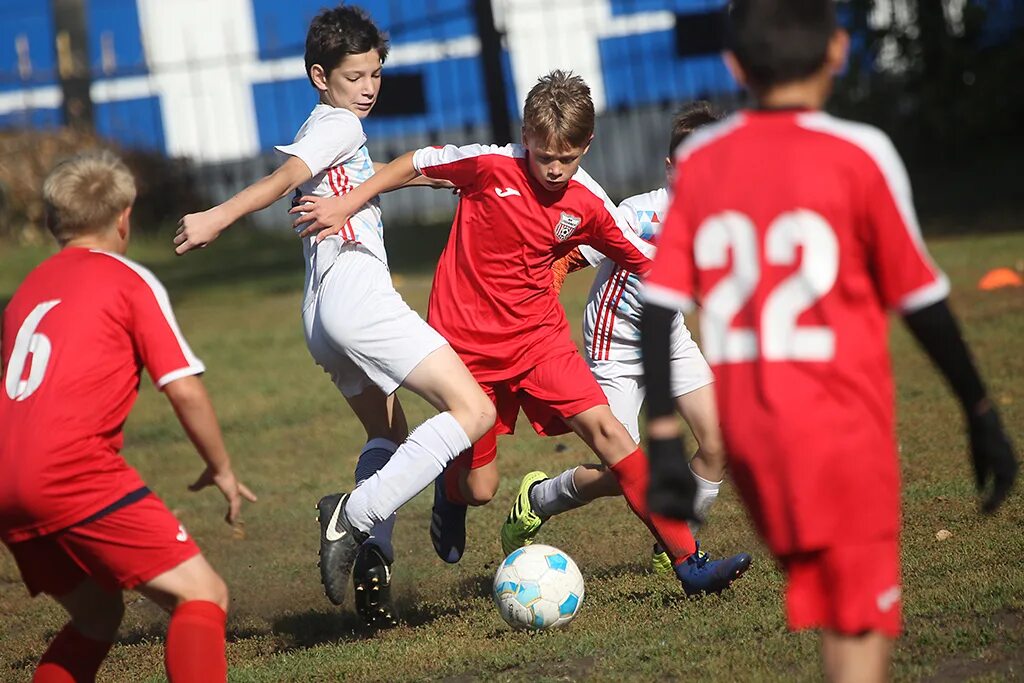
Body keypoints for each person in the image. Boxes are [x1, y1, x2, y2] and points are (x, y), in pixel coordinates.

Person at [640, 1, 1019, 680]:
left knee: (839, 610)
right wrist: (981, 412)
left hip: (754, 444)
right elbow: (924, 303)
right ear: (838, 52)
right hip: (842, 431)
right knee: (860, 626)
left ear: (734, 66)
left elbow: (659, 305)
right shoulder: (858, 152)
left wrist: (665, 434)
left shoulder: (697, 164)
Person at [294, 70, 750, 596]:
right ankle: (452, 489)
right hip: (468, 352)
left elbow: (642, 257)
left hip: (540, 341)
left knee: (612, 434)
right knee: (480, 488)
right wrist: (347, 202)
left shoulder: (589, 201)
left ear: (587, 145)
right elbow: (413, 164)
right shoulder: (489, 165)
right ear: (527, 137)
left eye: (569, 159)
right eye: (545, 156)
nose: (556, 170)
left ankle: (688, 563)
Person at [172, 5, 495, 628]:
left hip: (323, 317)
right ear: (321, 76)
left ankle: (373, 576)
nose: (368, 88)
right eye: (355, 76)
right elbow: (281, 178)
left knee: (391, 437)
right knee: (473, 410)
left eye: (375, 74)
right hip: (356, 304)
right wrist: (215, 217)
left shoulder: (330, 123)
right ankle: (352, 516)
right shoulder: (338, 125)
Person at [0, 151, 256, 682]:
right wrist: (223, 467)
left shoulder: (26, 293)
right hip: (71, 472)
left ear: (53, 222)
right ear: (124, 217)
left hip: (7, 481)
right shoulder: (126, 278)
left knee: (97, 614)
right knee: (202, 593)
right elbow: (183, 390)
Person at [503, 102, 735, 576]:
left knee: (718, 444)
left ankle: (676, 546)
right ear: (671, 168)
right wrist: (545, 289)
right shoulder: (638, 213)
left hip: (670, 342)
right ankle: (539, 498)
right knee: (620, 469)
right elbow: (571, 255)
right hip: (617, 348)